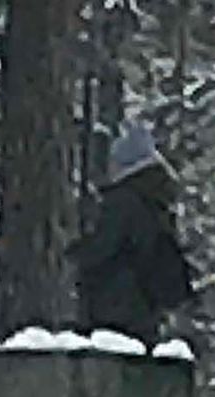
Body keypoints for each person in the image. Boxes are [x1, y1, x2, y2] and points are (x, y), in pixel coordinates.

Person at [74, 121, 194, 347]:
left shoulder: (123, 202)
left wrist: (76, 252)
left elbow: (104, 247)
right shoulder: (155, 202)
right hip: (144, 309)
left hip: (116, 308)